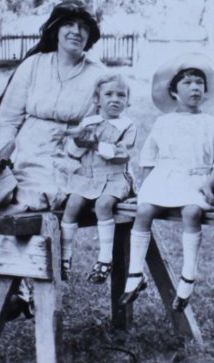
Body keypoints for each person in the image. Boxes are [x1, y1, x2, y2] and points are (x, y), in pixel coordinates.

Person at [0, 0, 105, 318]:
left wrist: (78, 147)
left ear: (90, 37)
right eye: (69, 24)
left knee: (32, 199)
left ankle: (22, 285)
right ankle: (21, 285)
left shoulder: (99, 75)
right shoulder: (34, 65)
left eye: (83, 27)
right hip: (24, 149)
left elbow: (104, 126)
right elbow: (8, 118)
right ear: (55, 30)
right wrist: (2, 159)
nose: (76, 31)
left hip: (71, 157)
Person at [120, 54, 214, 311]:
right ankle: (135, 273)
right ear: (173, 91)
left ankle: (187, 277)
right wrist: (144, 189)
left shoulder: (211, 124)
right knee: (144, 209)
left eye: (199, 83)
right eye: (187, 83)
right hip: (165, 178)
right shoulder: (163, 122)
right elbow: (149, 157)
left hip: (195, 179)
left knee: (191, 212)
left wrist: (208, 184)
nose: (195, 88)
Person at [60, 74, 136, 283]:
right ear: (97, 99)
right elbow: (74, 154)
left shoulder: (127, 126)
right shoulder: (89, 123)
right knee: (73, 203)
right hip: (88, 178)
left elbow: (123, 153)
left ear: (127, 101)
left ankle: (104, 259)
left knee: (104, 205)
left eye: (121, 95)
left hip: (114, 178)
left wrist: (95, 144)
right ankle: (65, 257)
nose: (115, 99)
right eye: (108, 94)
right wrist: (77, 140)